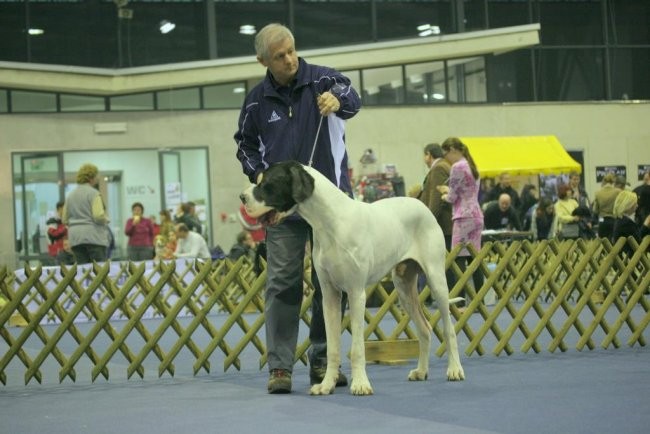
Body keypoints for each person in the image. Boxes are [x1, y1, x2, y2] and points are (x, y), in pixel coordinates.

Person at [234, 23, 361, 393]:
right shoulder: (257, 100)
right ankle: (280, 368)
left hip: (330, 207)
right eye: (280, 56)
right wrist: (259, 174)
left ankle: (325, 361)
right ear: (263, 61)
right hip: (283, 207)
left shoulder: (323, 81)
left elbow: (353, 98)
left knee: (331, 286)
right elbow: (244, 144)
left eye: (291, 50)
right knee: (283, 283)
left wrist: (338, 101)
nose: (290, 59)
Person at [438, 137, 484, 307]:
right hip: (477, 215)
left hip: (462, 216)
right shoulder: (472, 166)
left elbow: (452, 197)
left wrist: (444, 193)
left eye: (446, 154)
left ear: (452, 149)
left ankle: (461, 302)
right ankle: (480, 301)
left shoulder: (457, 167)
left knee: (458, 259)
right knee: (475, 259)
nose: (446, 158)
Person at [418, 142, 454, 291]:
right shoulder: (446, 166)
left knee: (446, 263)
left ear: (429, 155)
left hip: (442, 225)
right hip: (446, 223)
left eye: (424, 156)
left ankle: (450, 295)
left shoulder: (438, 168)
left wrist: (428, 222)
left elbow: (436, 198)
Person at [62, 163, 110, 264]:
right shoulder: (94, 193)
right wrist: (106, 219)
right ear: (91, 178)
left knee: (82, 270)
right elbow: (98, 216)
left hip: (75, 238)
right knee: (99, 271)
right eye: (96, 176)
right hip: (94, 237)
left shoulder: (70, 195)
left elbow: (64, 219)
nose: (97, 178)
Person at [612, 190, 650, 258]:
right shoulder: (626, 223)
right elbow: (638, 242)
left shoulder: (620, 220)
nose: (637, 206)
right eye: (635, 203)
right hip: (629, 260)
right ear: (629, 205)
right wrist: (646, 225)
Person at [592, 173, 621, 240]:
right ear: (613, 181)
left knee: (602, 243)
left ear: (604, 181)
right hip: (614, 220)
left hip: (602, 220)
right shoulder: (618, 192)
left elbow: (595, 210)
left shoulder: (598, 193)